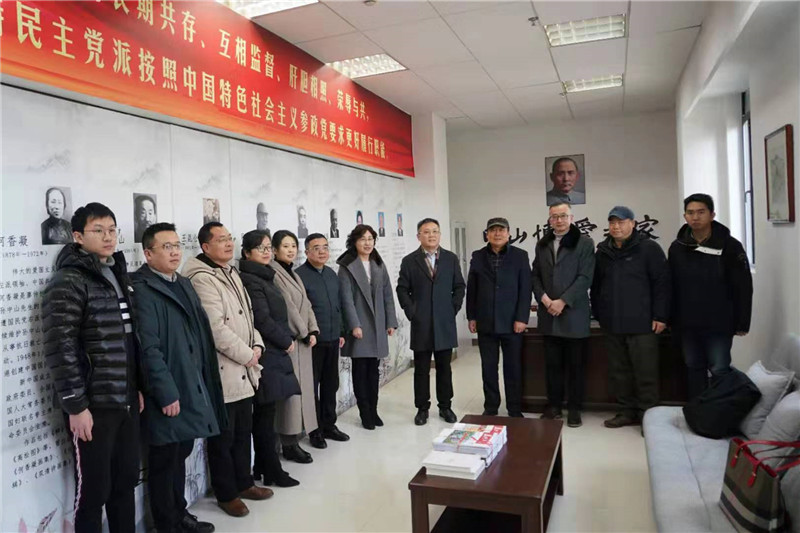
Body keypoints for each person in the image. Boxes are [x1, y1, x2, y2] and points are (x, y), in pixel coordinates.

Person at [42, 202, 144, 533]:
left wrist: (135, 387)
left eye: (112, 230)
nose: (108, 237)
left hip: (125, 398)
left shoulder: (116, 272)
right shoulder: (68, 281)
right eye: (98, 230)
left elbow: (128, 340)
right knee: (93, 492)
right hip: (93, 405)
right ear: (78, 236)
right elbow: (60, 348)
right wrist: (76, 406)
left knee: (125, 480)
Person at [131, 223, 226, 533]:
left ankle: (179, 513)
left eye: (176, 246)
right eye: (166, 247)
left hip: (190, 384)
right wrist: (165, 392)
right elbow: (148, 348)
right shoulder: (141, 289)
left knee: (180, 453)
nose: (174, 252)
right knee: (164, 460)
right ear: (148, 254)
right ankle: (167, 523)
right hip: (167, 392)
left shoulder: (182, 282)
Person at [182, 222, 272, 518]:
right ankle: (226, 493)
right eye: (221, 239)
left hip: (244, 366)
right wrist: (248, 355)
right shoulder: (201, 277)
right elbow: (215, 329)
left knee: (243, 432)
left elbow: (248, 316)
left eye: (229, 238)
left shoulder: (230, 271)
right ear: (205, 246)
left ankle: (244, 482)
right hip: (223, 370)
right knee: (224, 437)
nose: (229, 243)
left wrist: (257, 344)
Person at [590, 207, 670, 429]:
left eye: (621, 222)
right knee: (619, 372)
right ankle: (626, 412)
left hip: (643, 323)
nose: (616, 226)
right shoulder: (603, 251)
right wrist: (599, 313)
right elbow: (596, 286)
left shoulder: (649, 248)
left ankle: (649, 418)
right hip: (613, 323)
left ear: (633, 224)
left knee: (645, 374)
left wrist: (661, 315)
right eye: (612, 222)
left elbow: (662, 284)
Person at [668, 193, 753, 399]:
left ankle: (721, 410)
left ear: (712, 214)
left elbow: (743, 286)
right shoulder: (678, 247)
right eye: (690, 213)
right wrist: (670, 317)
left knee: (719, 367)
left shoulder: (730, 246)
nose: (695, 217)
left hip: (719, 321)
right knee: (693, 365)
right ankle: (699, 410)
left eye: (701, 212)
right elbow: (670, 285)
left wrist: (742, 321)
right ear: (685, 216)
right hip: (687, 321)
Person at [238, 230, 302, 488]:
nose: (266, 252)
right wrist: (285, 340)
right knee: (264, 415)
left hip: (272, 351)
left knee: (267, 413)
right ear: (246, 253)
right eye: (260, 248)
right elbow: (262, 319)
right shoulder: (251, 279)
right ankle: (271, 469)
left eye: (268, 247)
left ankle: (264, 466)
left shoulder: (264, 275)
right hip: (267, 353)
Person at [532, 202, 595, 427]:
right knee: (552, 366)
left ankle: (575, 409)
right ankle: (554, 406)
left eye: (563, 216)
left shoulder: (584, 243)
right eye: (554, 217)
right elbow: (535, 275)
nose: (558, 220)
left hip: (574, 315)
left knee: (576, 367)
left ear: (571, 217)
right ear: (549, 219)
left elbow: (585, 277)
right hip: (549, 315)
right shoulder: (543, 243)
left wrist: (563, 301)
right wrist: (544, 299)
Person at [397, 218, 465, 426]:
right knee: (421, 369)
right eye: (426, 232)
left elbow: (459, 286)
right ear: (419, 236)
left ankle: (445, 406)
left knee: (445, 368)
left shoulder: (450, 258)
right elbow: (402, 289)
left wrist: (452, 309)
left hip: (444, 323)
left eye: (435, 231)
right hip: (422, 323)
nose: (431, 235)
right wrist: (412, 311)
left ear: (440, 234)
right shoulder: (410, 261)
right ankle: (422, 408)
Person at [466, 217, 531, 418]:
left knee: (513, 368)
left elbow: (525, 289)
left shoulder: (520, 256)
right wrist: (471, 316)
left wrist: (522, 318)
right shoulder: (478, 256)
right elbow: (472, 289)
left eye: (501, 230)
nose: (497, 234)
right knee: (488, 368)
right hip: (486, 321)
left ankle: (514, 408)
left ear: (508, 233)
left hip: (512, 322)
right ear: (487, 234)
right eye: (493, 230)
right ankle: (491, 406)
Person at [337, 224, 398, 429]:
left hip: (377, 324)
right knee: (360, 371)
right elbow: (345, 299)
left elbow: (387, 294)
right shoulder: (347, 266)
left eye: (371, 239)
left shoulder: (378, 263)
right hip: (360, 326)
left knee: (374, 371)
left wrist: (390, 321)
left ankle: (373, 410)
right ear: (354, 242)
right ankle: (365, 412)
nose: (367, 243)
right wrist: (354, 325)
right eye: (363, 239)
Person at [296, 234, 351, 447]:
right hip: (312, 342)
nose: (322, 251)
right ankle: (314, 430)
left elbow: (339, 306)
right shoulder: (299, 276)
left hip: (333, 338)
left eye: (325, 247)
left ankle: (329, 425)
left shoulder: (330, 273)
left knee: (330, 384)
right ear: (307, 252)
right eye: (316, 248)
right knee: (312, 387)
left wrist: (342, 331)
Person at [270, 230, 319, 463]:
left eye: (293, 246)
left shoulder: (292, 271)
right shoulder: (274, 272)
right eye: (285, 246)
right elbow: (287, 307)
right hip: (290, 342)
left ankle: (298, 437)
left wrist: (313, 329)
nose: (291, 250)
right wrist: (304, 332)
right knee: (290, 398)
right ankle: (288, 443)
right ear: (274, 250)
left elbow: (306, 304)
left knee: (303, 393)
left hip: (303, 341)